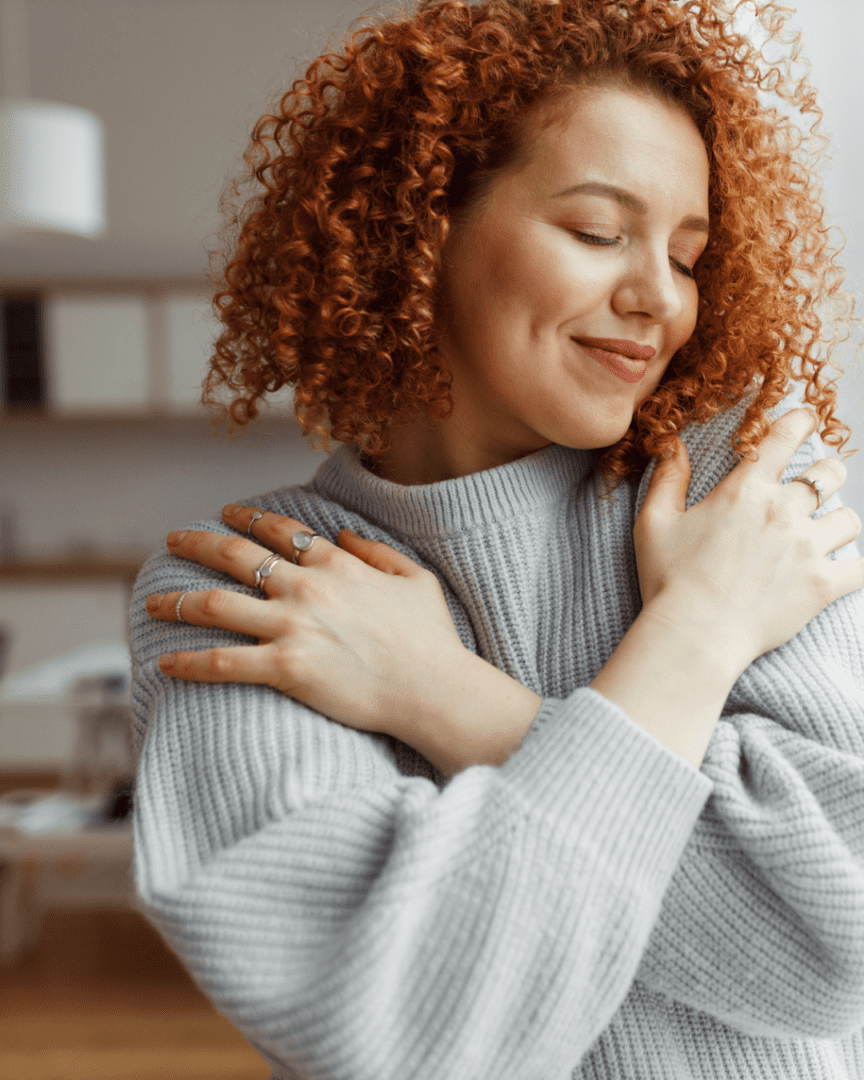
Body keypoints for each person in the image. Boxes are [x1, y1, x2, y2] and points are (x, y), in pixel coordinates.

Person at [130, 0, 864, 1076]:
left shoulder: (736, 496)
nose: (658, 296)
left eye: (690, 255)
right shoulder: (254, 587)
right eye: (597, 232)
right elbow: (400, 1035)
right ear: (418, 233)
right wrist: (701, 630)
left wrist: (448, 698)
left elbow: (830, 948)